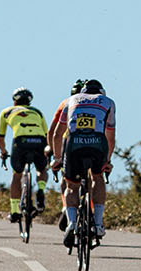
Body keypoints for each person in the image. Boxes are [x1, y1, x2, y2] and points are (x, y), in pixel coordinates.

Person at [48, 78, 115, 246]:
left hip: (73, 144)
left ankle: (71, 223)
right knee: (97, 177)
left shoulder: (70, 100)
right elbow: (110, 136)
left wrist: (57, 159)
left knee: (71, 186)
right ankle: (98, 224)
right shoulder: (108, 102)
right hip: (97, 144)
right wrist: (107, 160)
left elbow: (56, 134)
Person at [0, 87, 49, 224]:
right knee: (41, 169)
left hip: (21, 142)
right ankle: (41, 190)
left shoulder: (6, 112)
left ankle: (14, 211)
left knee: (17, 175)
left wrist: (3, 152)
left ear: (14, 101)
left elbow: (0, 139)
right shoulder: (37, 112)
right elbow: (47, 135)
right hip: (39, 141)